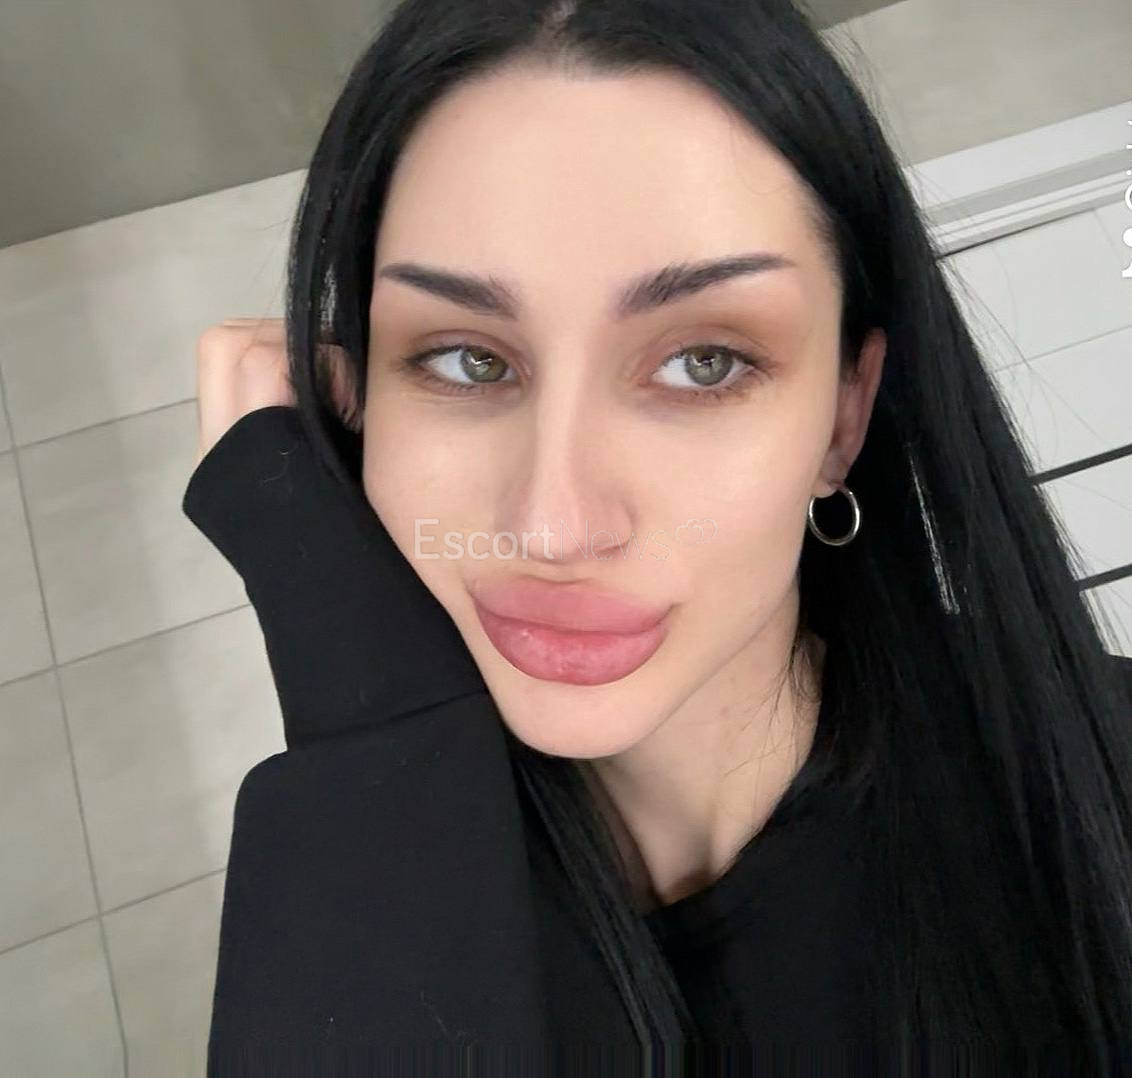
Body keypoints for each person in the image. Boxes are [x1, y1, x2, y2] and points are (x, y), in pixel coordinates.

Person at [183, 0, 1132, 1069]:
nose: (554, 525)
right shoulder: (358, 872)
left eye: (703, 363)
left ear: (842, 417)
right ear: (362, 402)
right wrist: (351, 664)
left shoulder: (1103, 769)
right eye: (465, 359)